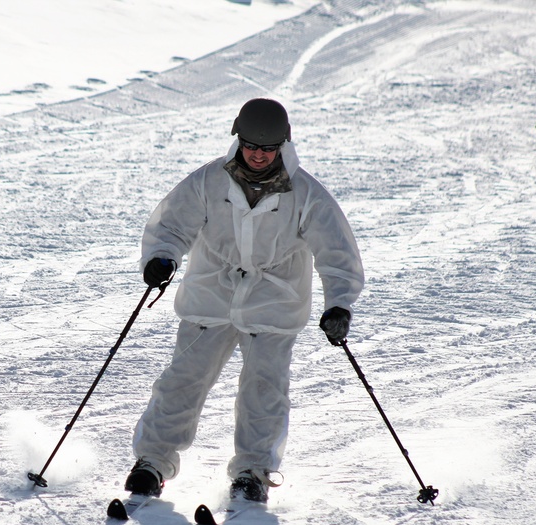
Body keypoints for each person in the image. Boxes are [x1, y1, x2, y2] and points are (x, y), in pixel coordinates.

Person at [125, 98, 365, 503]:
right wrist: (160, 258)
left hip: (275, 301)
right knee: (183, 381)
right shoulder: (209, 181)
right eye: (251, 145)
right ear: (238, 139)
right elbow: (171, 224)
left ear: (282, 146)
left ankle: (253, 471)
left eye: (267, 148)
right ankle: (152, 462)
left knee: (264, 390)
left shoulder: (305, 193)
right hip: (210, 296)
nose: (258, 154)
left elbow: (336, 253)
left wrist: (338, 304)